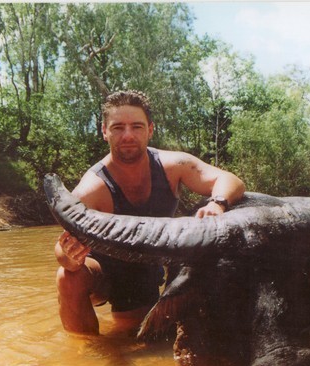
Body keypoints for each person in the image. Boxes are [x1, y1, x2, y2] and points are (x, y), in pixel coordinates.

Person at [54, 90, 245, 336]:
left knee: (138, 338)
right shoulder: (93, 186)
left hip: (145, 271)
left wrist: (217, 203)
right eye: (118, 127)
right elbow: (61, 248)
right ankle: (85, 352)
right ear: (104, 132)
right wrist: (70, 257)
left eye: (136, 126)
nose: (128, 136)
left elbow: (230, 180)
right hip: (103, 271)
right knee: (67, 277)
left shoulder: (173, 165)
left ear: (150, 130)